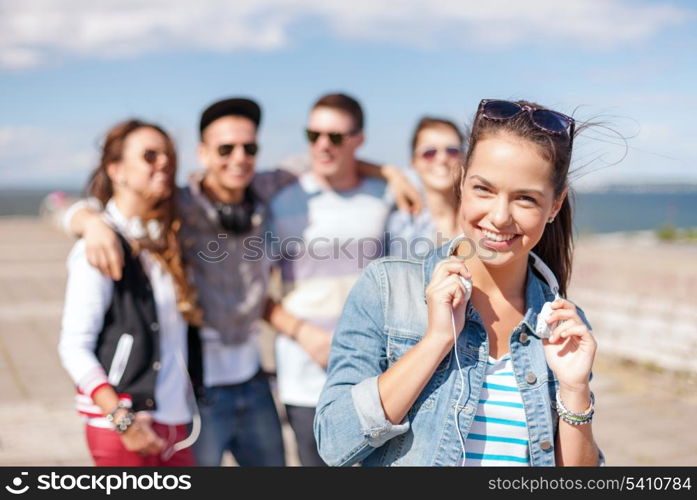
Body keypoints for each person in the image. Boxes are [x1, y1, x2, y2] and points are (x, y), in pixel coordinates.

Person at [62, 97, 420, 466]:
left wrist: (391, 172)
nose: (239, 157)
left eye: (249, 147)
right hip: (198, 393)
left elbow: (332, 159)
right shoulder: (178, 206)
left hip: (254, 383)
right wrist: (88, 221)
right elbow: (86, 207)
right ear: (202, 153)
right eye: (225, 148)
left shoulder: (267, 188)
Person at [314, 99, 604, 466]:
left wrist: (575, 389)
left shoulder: (563, 326)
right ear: (463, 180)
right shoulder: (387, 288)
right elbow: (334, 442)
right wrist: (436, 341)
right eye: (484, 189)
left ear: (555, 206)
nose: (499, 217)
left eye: (526, 199)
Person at [58, 119, 203, 466]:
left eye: (168, 155)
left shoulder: (166, 237)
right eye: (150, 156)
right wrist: (121, 420)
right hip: (125, 427)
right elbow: (73, 346)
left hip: (176, 425)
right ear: (116, 169)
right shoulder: (99, 246)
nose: (164, 163)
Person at [264, 93, 397, 466]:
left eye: (336, 137)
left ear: (359, 140)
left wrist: (391, 173)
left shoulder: (384, 197)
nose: (322, 145)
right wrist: (304, 334)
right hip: (303, 377)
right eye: (314, 135)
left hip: (375, 376)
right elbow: (253, 294)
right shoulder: (282, 200)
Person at [387, 117, 464, 259]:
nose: (442, 159)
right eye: (429, 152)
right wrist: (390, 172)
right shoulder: (399, 218)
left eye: (452, 151)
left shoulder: (480, 216)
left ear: (464, 157)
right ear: (413, 162)